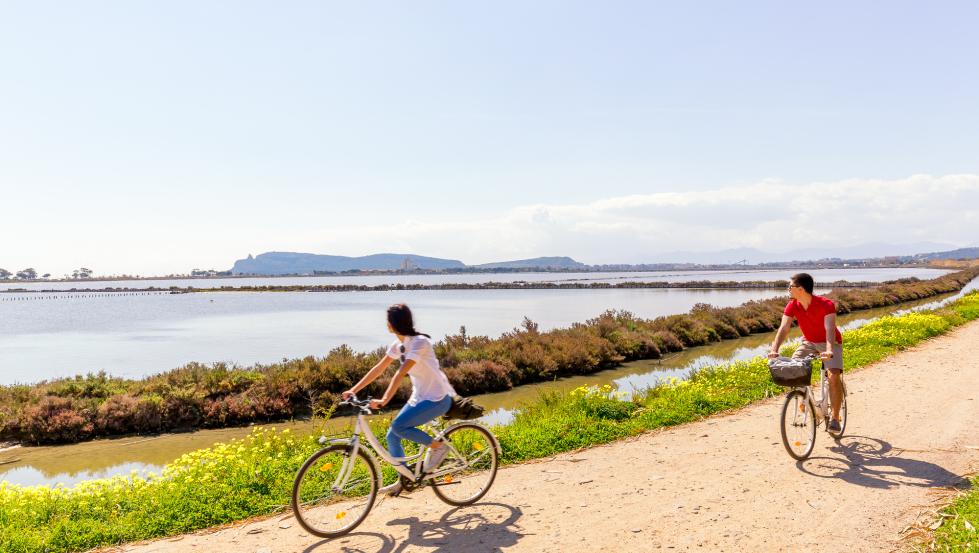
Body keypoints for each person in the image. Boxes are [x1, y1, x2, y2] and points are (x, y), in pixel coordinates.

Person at [342, 303, 456, 495]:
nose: (386, 323)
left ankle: (439, 447)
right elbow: (378, 369)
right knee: (392, 436)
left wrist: (385, 399)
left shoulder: (420, 343)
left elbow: (400, 373)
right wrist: (353, 389)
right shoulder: (399, 345)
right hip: (419, 397)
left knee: (399, 427)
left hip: (437, 398)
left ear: (392, 324)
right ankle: (404, 478)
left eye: (388, 320)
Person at [768, 273, 844, 432]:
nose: (788, 290)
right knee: (794, 369)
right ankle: (805, 400)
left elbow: (829, 329)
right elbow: (784, 328)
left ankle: (835, 418)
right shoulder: (792, 305)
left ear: (800, 289)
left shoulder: (826, 304)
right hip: (808, 342)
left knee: (833, 375)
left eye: (790, 287)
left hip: (830, 342)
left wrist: (829, 350)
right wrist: (774, 349)